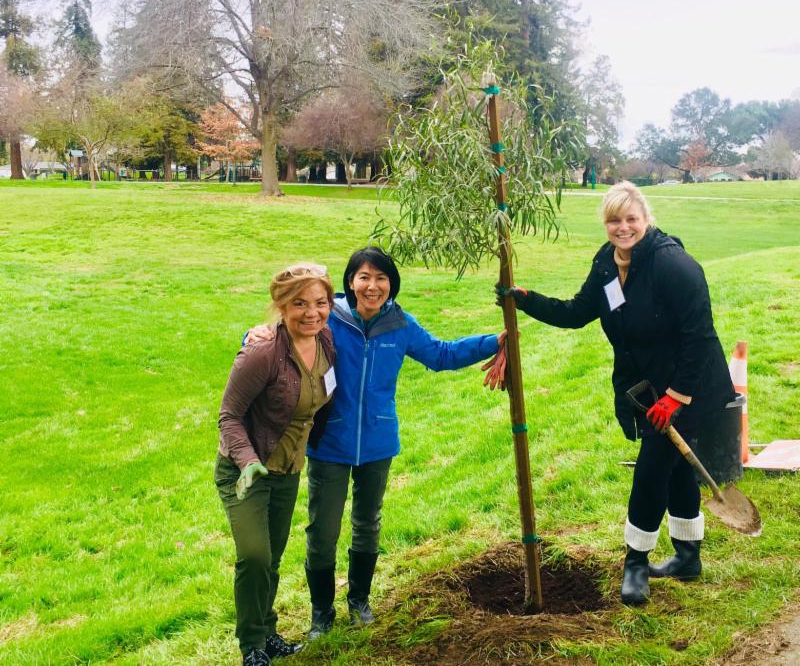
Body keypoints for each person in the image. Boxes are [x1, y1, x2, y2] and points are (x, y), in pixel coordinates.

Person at [497, 181, 734, 606]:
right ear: (605, 223)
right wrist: (526, 300)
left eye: (631, 219)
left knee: (651, 470)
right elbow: (577, 312)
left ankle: (636, 563)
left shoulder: (674, 266)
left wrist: (676, 396)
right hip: (648, 388)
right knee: (677, 467)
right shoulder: (607, 263)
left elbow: (700, 338)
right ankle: (687, 556)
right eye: (614, 220)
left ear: (646, 219)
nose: (623, 228)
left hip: (691, 386)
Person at [249, 246, 505, 637]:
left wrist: (494, 341)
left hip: (378, 442)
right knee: (323, 531)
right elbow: (284, 331)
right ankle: (322, 613)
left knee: (367, 524)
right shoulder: (328, 318)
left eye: (381, 278)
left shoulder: (400, 324)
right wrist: (258, 332)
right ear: (350, 282)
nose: (372, 285)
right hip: (329, 442)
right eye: (363, 277)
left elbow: (441, 354)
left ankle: (359, 602)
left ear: (391, 284)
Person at [216, 263, 337, 666]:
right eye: (299, 303)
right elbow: (229, 415)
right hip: (247, 471)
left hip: (288, 468)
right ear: (281, 306)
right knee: (254, 555)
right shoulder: (264, 349)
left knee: (272, 557)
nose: (311, 312)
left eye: (320, 302)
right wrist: (247, 461)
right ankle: (252, 645)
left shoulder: (326, 343)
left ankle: (268, 634)